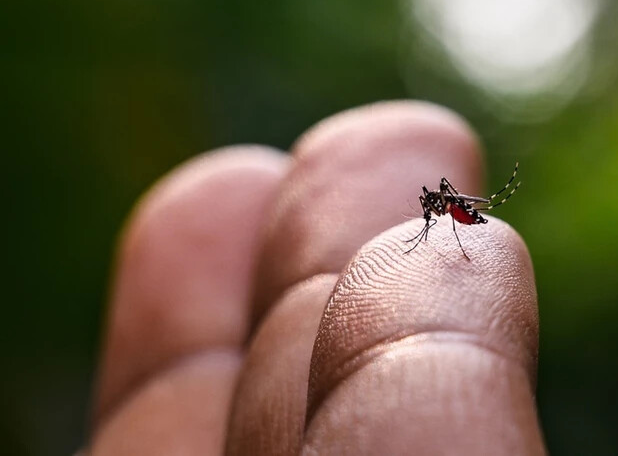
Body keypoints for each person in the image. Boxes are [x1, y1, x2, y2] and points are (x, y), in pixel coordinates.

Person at [86, 101, 544, 455]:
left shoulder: (443, 207)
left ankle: (491, 202)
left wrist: (454, 218)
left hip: (466, 224)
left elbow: (441, 211)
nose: (430, 205)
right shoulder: (433, 207)